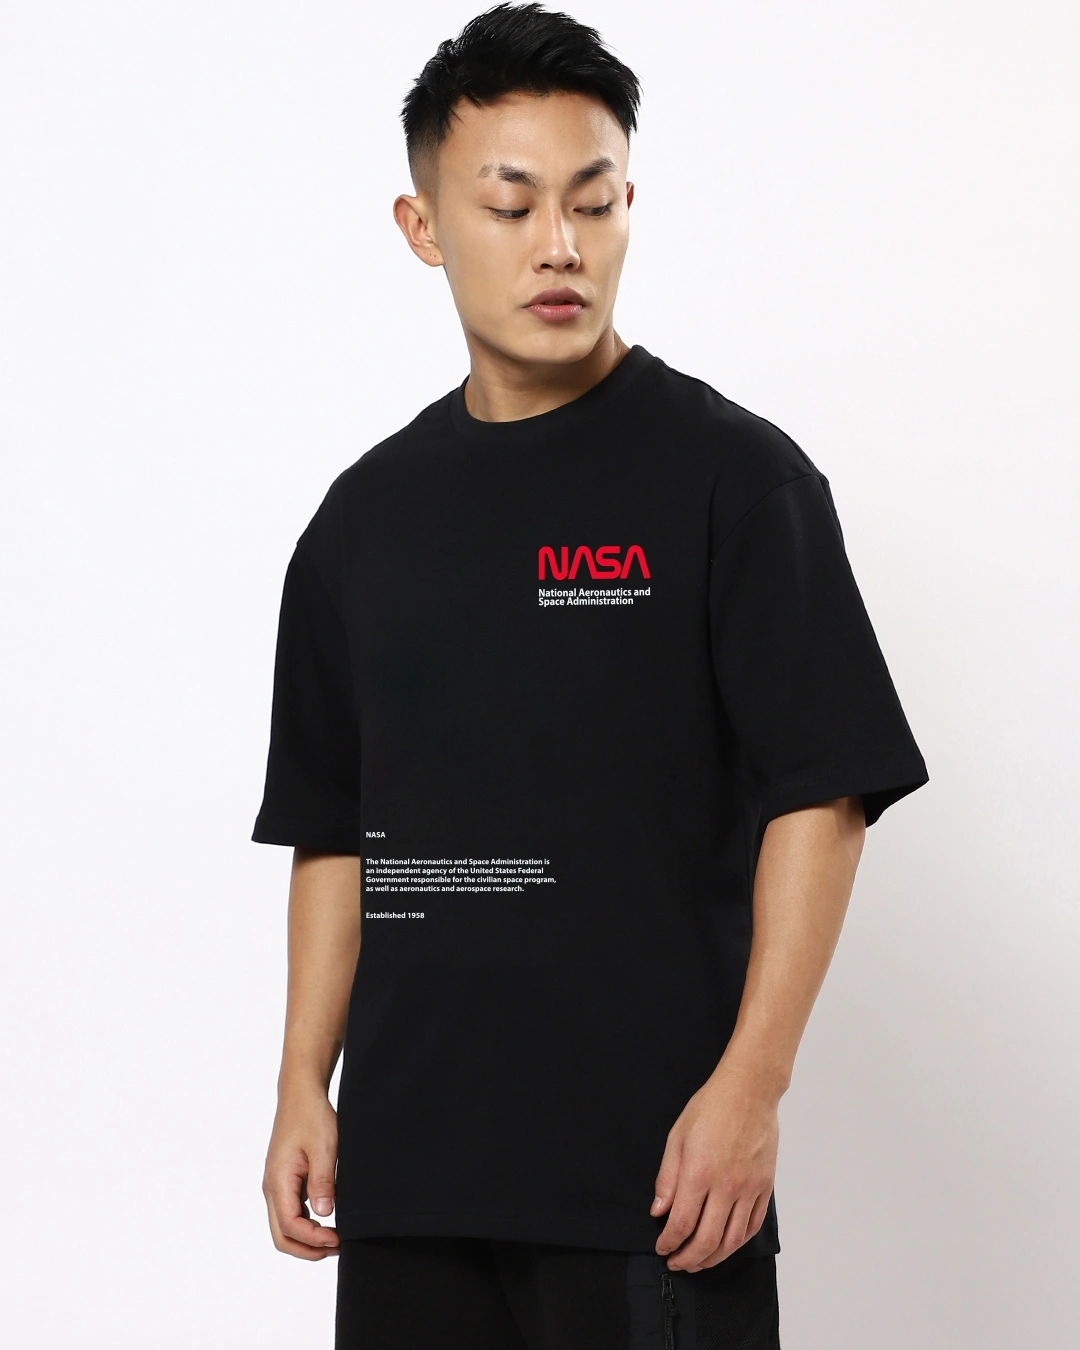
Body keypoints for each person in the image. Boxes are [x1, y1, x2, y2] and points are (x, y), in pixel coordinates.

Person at [251, 5, 928, 1347]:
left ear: (628, 209)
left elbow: (825, 793)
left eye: (593, 201)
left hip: (653, 1186)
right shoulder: (362, 521)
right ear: (423, 226)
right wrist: (300, 1083)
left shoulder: (736, 483)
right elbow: (336, 829)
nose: (559, 244)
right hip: (413, 1181)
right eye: (510, 206)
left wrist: (753, 1087)